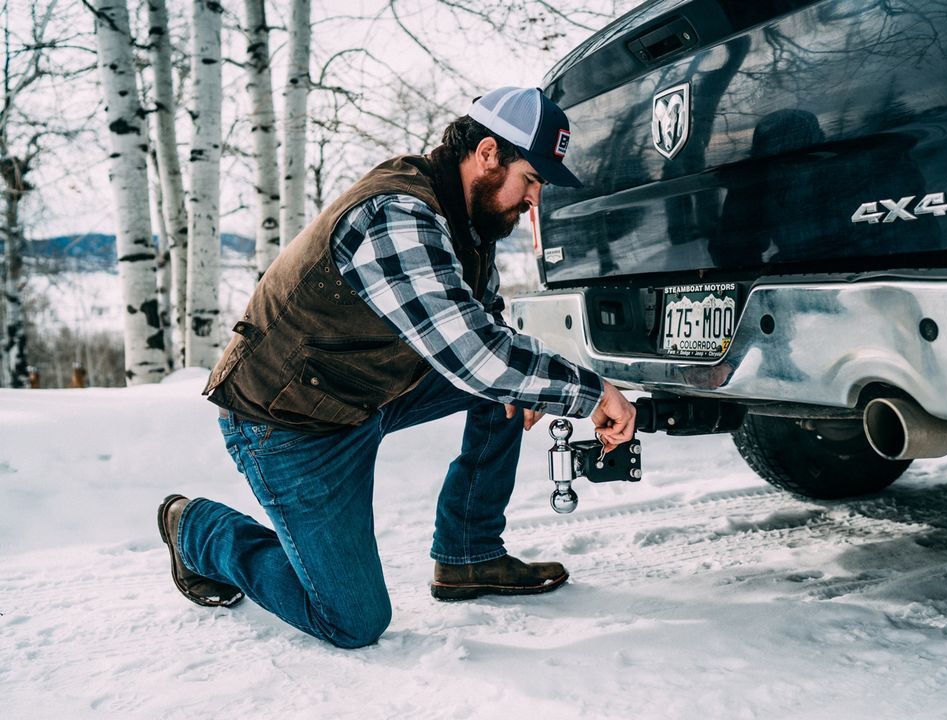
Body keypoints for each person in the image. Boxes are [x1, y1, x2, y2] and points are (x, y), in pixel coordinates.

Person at [157, 87, 637, 649]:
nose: (535, 198)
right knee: (353, 621)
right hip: (289, 422)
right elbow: (475, 354)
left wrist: (535, 386)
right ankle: (195, 530)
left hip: (363, 396)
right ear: (487, 154)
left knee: (511, 380)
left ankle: (468, 553)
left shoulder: (468, 227)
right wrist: (592, 392)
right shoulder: (397, 216)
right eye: (530, 178)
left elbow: (492, 337)